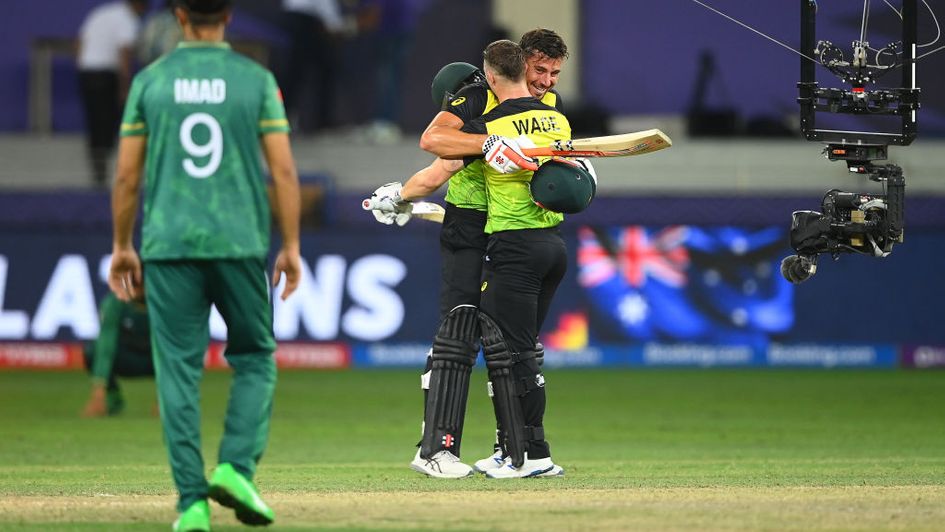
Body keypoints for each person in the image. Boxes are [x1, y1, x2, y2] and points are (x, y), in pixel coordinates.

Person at [109, 0, 302, 530]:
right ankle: (237, 468)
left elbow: (126, 177)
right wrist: (290, 245)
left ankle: (191, 503)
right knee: (256, 356)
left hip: (168, 244)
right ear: (229, 16)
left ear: (178, 15)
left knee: (177, 370)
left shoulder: (150, 81)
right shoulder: (255, 79)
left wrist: (123, 244)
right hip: (238, 241)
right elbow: (283, 172)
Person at [369, 29, 570, 478]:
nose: (547, 82)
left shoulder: (549, 108)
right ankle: (435, 450)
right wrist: (403, 193)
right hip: (468, 227)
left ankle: (515, 449)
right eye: (540, 70)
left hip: (510, 233)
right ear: (520, 62)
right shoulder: (478, 96)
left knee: (512, 347)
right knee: (458, 334)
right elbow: (439, 154)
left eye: (555, 73)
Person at [77, 0, 148, 187]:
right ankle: (112, 171)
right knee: (110, 123)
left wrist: (82, 67)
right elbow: (124, 52)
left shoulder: (101, 13)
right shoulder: (127, 19)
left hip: (87, 72)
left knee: (95, 123)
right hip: (106, 76)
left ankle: (99, 172)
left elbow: (81, 41)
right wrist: (124, 87)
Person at [81, 288, 153, 418]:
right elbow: (105, 347)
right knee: (92, 352)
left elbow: (174, 350)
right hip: (125, 358)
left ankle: (174, 403)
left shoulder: (165, 303)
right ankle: (112, 400)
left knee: (178, 355)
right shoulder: (115, 302)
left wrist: (168, 401)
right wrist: (98, 394)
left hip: (156, 361)